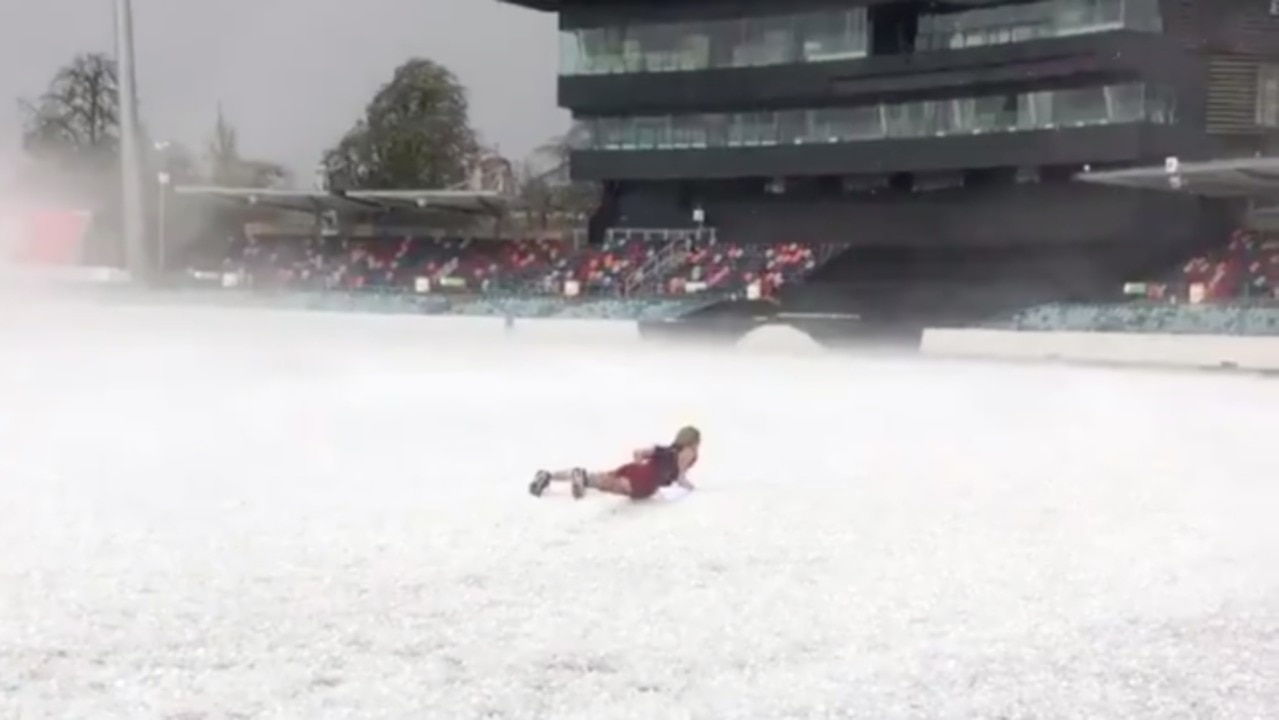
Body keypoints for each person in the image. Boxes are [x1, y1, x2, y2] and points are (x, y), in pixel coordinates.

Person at [529, 426, 700, 501]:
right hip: (641, 482)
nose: (692, 455)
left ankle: (549, 475)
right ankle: (576, 478)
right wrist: (694, 491)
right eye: (693, 448)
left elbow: (639, 453)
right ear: (691, 444)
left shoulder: (665, 453)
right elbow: (680, 478)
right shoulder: (673, 456)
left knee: (600, 479)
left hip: (640, 478)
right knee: (602, 482)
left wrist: (639, 463)